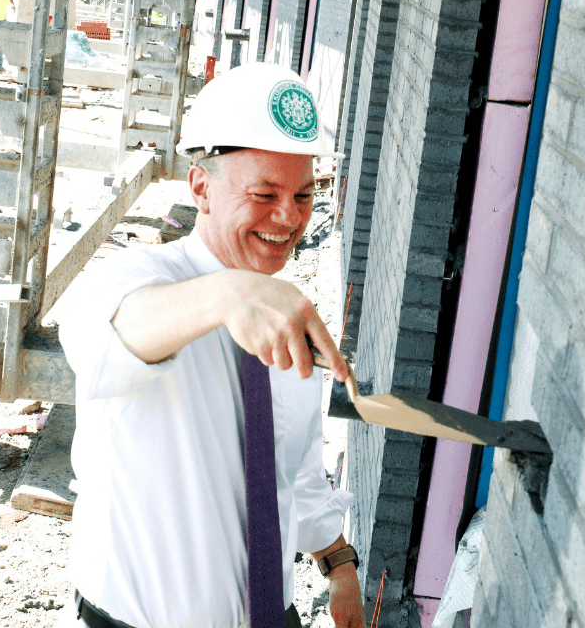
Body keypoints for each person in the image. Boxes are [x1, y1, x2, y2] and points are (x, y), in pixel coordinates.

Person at [59, 62, 366, 628]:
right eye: (264, 193)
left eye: (303, 195)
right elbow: (101, 341)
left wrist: (338, 561)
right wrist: (225, 294)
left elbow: (291, 468)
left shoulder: (282, 316)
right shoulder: (140, 280)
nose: (289, 217)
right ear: (201, 187)